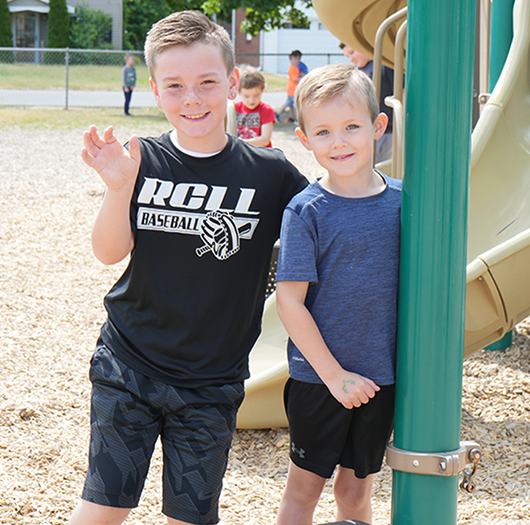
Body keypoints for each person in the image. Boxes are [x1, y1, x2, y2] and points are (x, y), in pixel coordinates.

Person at [73, 10, 308, 525]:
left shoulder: (270, 174)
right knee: (100, 511)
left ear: (231, 84)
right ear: (155, 90)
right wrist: (118, 188)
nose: (193, 98)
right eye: (176, 86)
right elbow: (108, 252)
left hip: (211, 382)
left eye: (206, 83)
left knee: (191, 518)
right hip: (128, 365)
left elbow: (324, 230)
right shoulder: (141, 159)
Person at [274, 63, 401, 525]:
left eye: (351, 127)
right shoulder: (306, 211)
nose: (340, 142)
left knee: (354, 491)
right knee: (304, 491)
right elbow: (289, 300)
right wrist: (333, 376)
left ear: (377, 127)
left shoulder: (405, 203)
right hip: (319, 378)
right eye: (324, 132)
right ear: (305, 139)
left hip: (381, 375)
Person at [340, 43, 398, 164]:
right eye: (347, 56)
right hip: (362, 129)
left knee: (382, 165)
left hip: (387, 129)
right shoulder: (356, 72)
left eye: (352, 52)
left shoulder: (385, 66)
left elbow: (401, 94)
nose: (351, 58)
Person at [235, 66, 276, 147]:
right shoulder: (234, 109)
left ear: (262, 91)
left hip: (259, 153)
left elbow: (265, 140)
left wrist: (241, 142)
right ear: (239, 92)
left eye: (256, 95)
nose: (251, 100)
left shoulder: (266, 110)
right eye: (246, 96)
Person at [277, 50, 308, 123]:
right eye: (294, 59)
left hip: (293, 90)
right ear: (291, 60)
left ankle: (287, 116)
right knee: (295, 106)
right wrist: (303, 77)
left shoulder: (296, 67)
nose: (296, 61)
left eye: (297, 59)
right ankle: (297, 120)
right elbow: (294, 79)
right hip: (292, 90)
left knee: (289, 104)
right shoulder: (292, 68)